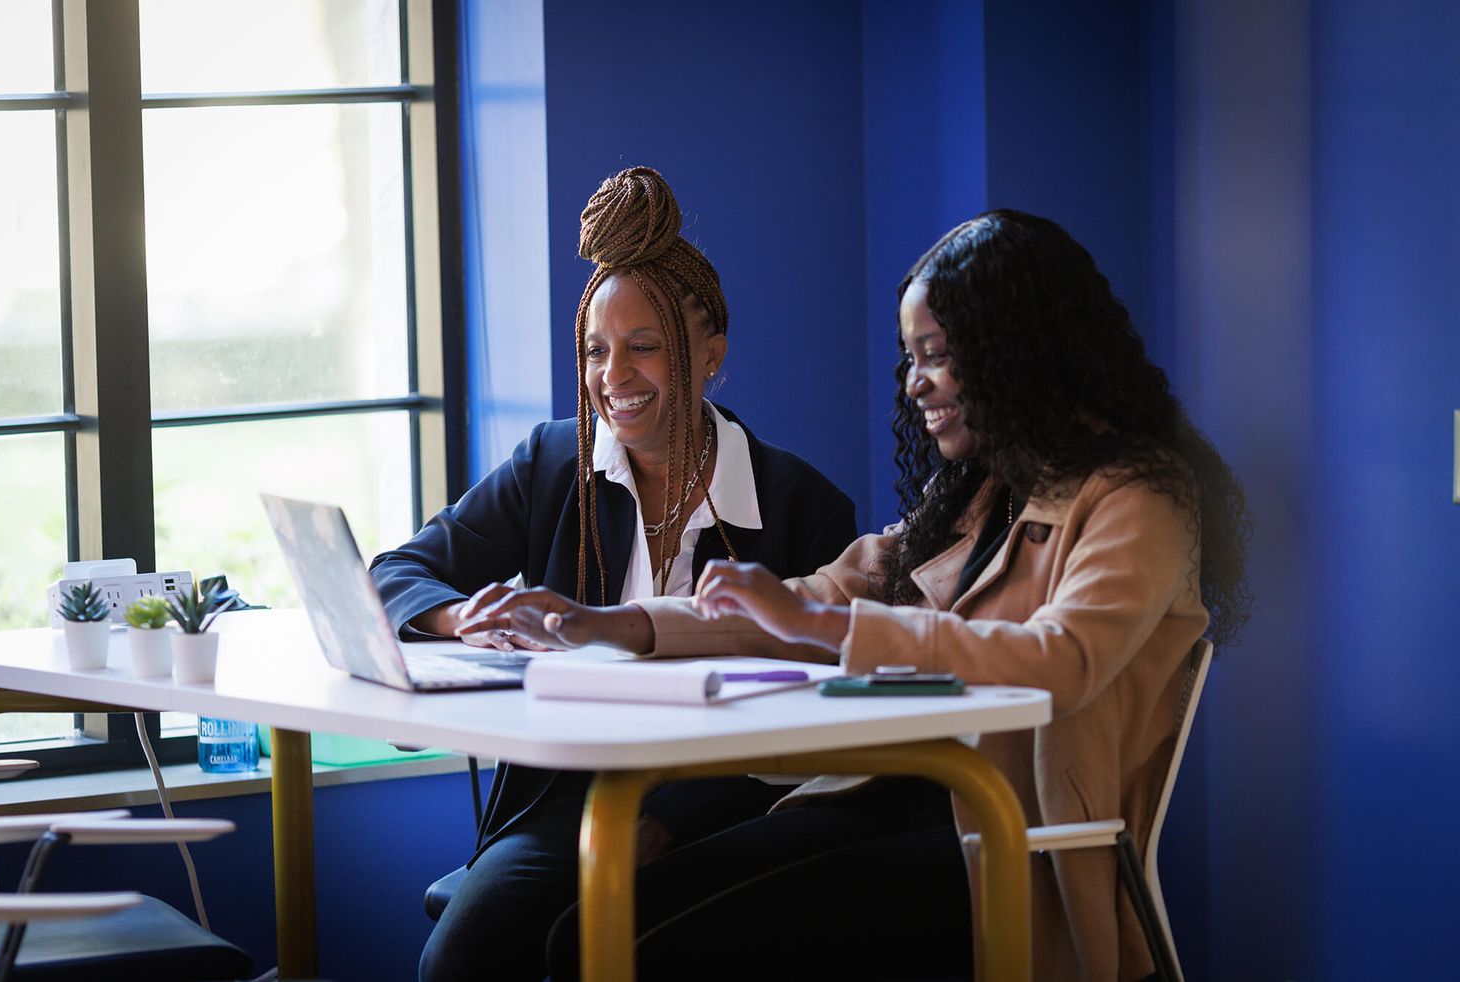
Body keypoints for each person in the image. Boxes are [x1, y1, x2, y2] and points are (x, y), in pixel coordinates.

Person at [468, 209, 1251, 981]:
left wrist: (817, 622)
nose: (917, 384)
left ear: (1019, 347)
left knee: (650, 953)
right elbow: (821, 595)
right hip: (889, 801)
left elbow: (1063, 658)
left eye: (937, 355)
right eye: (911, 358)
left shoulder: (1139, 499)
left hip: (1006, 838)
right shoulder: (982, 494)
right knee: (585, 932)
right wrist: (609, 624)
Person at [368, 166, 857, 981]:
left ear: (712, 357)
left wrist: (669, 819)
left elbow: (819, 723)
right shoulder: (554, 465)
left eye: (644, 348)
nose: (613, 377)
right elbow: (398, 571)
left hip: (729, 808)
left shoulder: (801, 507)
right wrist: (463, 618)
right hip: (571, 799)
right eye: (596, 350)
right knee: (464, 954)